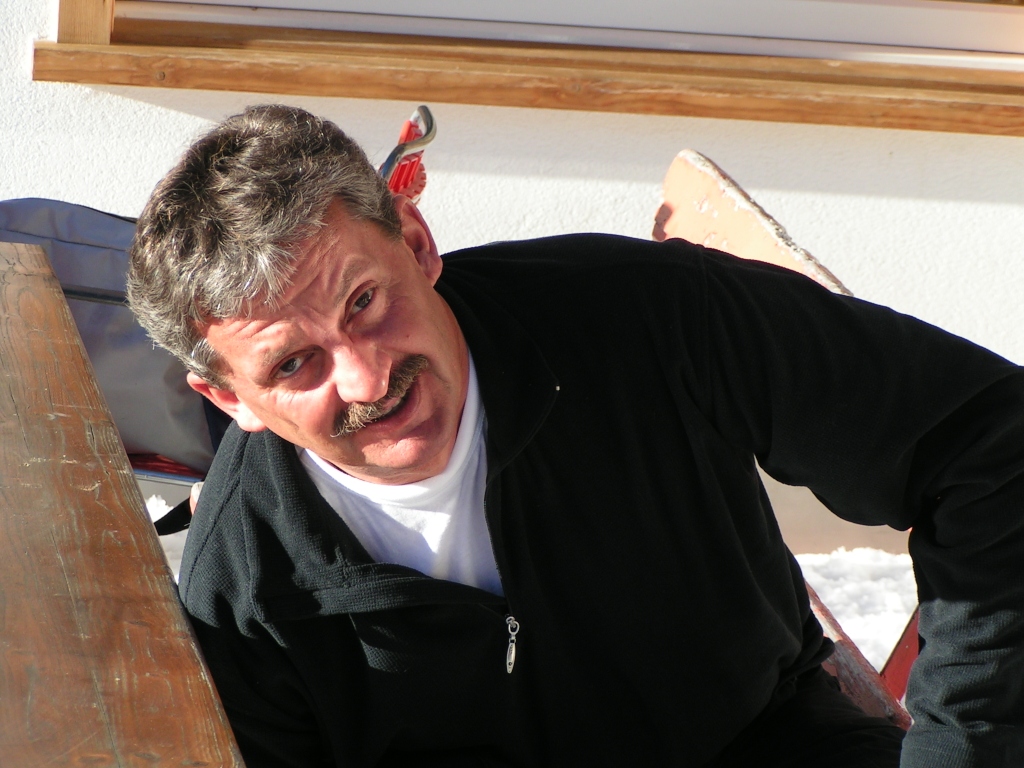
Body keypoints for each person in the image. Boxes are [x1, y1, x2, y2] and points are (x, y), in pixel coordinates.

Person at [127, 104, 1024, 767]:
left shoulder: (644, 318)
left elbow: (987, 438)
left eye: (364, 301)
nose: (366, 378)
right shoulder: (244, 597)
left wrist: (966, 747)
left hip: (765, 741)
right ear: (230, 398)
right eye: (294, 364)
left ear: (416, 241)